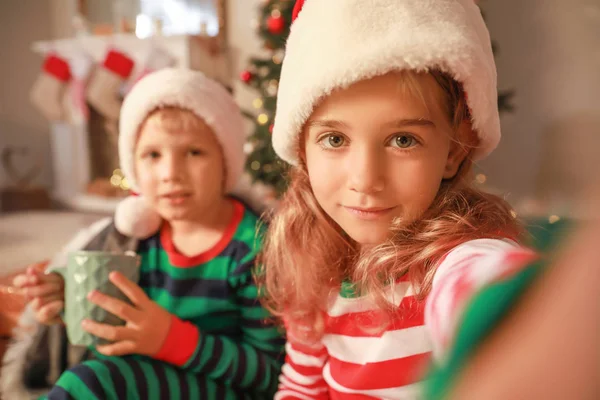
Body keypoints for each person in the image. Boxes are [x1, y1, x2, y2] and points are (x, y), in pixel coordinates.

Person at [258, 0, 542, 398]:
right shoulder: (310, 263)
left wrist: (520, 303)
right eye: (335, 139)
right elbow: (302, 387)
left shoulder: (453, 258)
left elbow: (486, 287)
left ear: (453, 153)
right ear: (303, 150)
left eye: (403, 140)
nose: (365, 180)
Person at [12, 68, 285, 399]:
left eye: (194, 152)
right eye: (152, 155)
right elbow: (110, 324)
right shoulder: (139, 236)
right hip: (145, 375)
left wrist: (171, 339)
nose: (170, 173)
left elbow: (268, 374)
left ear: (225, 162)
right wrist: (67, 300)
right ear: (134, 168)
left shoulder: (254, 247)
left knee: (90, 382)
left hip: (219, 388)